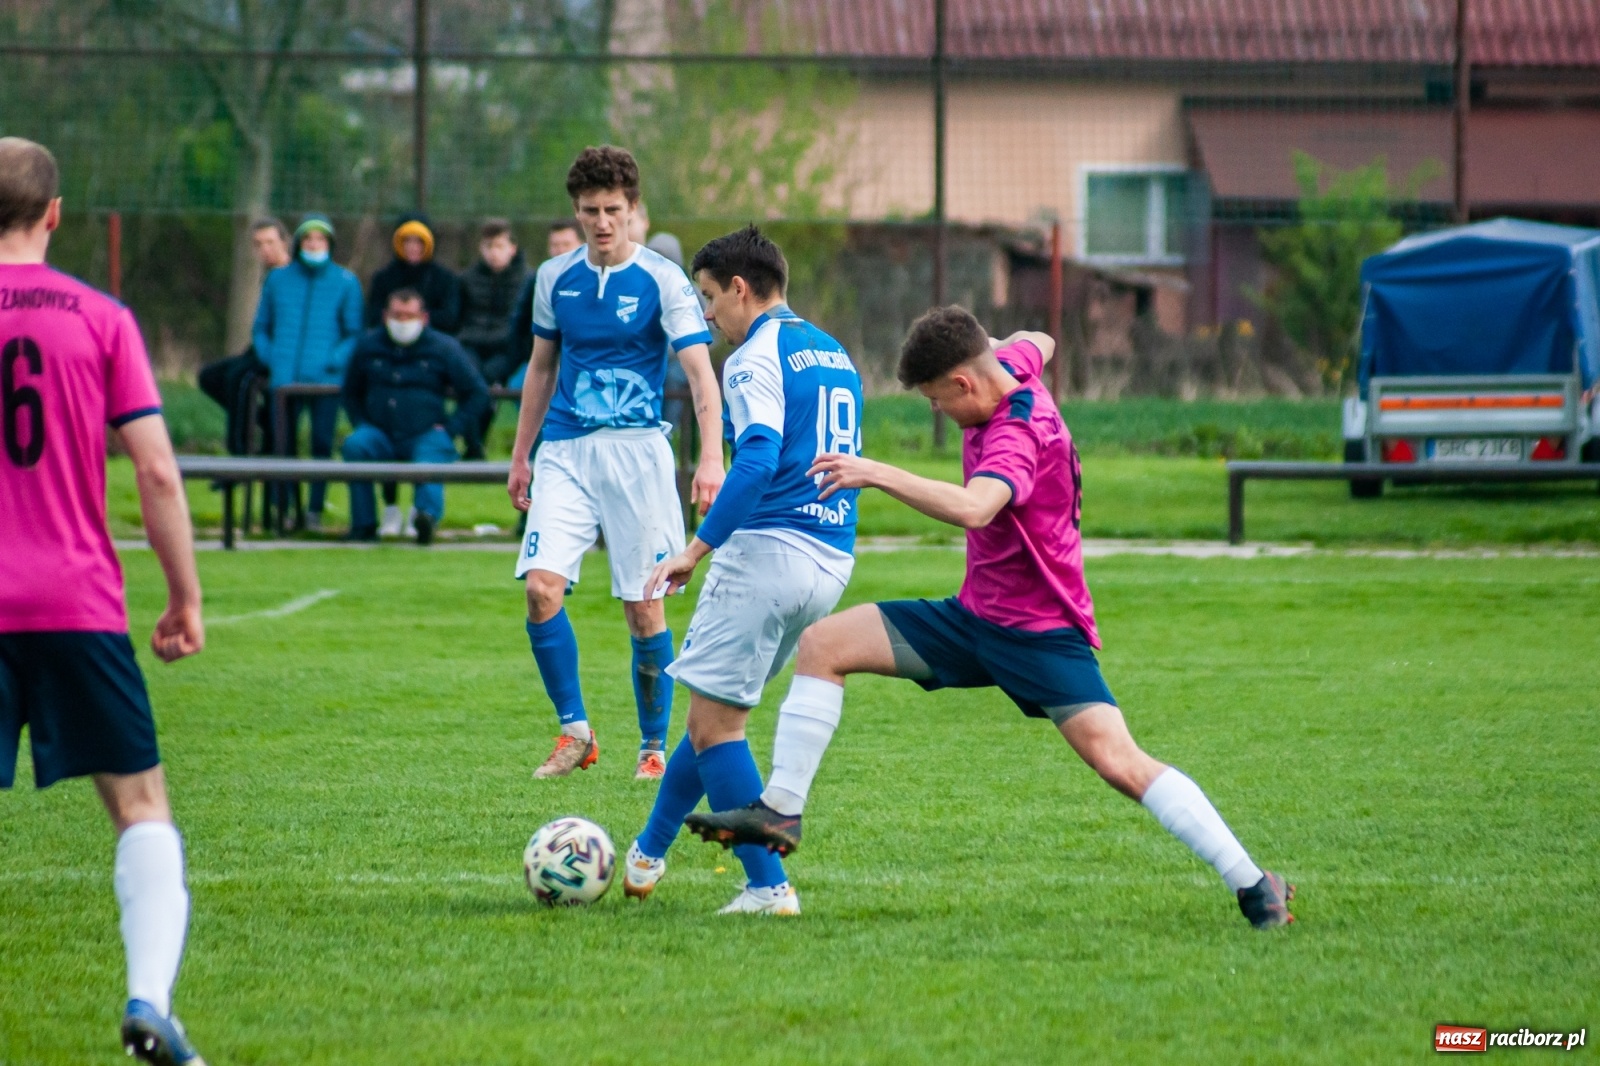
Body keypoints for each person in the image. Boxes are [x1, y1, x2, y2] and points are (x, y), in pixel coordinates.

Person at [685, 306, 1296, 931]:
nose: (937, 412)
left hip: (1038, 634)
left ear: (965, 385)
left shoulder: (1018, 433)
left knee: (1120, 762)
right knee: (824, 645)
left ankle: (1254, 883)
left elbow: (978, 508)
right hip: (973, 619)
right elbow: (1042, 338)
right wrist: (994, 342)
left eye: (936, 399)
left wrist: (875, 473)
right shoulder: (1004, 366)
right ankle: (780, 811)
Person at [0, 137, 209, 1064]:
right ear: (54, 214)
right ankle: (148, 1003)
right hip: (74, 603)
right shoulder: (100, 316)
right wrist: (184, 599)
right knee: (138, 805)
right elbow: (157, 473)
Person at [624, 225, 862, 916]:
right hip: (830, 556)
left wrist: (696, 549)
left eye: (706, 298)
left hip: (769, 552)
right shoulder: (832, 349)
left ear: (740, 288)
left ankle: (768, 886)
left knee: (716, 728)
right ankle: (646, 853)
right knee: (711, 714)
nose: (705, 315)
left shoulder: (753, 357)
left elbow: (756, 459)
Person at [505, 145, 725, 780]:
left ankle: (652, 748)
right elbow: (541, 368)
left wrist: (710, 458)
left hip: (639, 456)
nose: (601, 222)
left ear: (634, 212)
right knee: (542, 589)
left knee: (644, 606)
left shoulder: (663, 280)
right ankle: (575, 731)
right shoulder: (555, 278)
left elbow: (700, 376)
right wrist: (523, 453)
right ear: (576, 213)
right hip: (566, 452)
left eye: (612, 210)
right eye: (589, 212)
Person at [341, 288, 488, 545]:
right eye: (397, 315)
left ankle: (425, 519)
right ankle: (363, 524)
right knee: (356, 445)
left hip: (426, 432)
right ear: (386, 316)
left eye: (409, 315)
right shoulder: (368, 346)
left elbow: (477, 393)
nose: (403, 321)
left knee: (430, 459)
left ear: (424, 317)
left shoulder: (444, 348)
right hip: (379, 431)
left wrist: (452, 429)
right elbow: (350, 392)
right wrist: (361, 422)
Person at [251, 214, 363, 532]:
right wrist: (273, 359)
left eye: (321, 239)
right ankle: (283, 510)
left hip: (326, 382)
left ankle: (313, 509)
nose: (314, 245)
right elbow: (261, 328)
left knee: (321, 443)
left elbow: (353, 332)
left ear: (330, 244)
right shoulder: (278, 280)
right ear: (299, 244)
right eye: (309, 239)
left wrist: (333, 360)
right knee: (282, 445)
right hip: (284, 379)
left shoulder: (345, 281)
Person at [366, 213, 463, 531]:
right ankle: (385, 510)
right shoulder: (383, 282)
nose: (412, 247)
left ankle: (424, 516)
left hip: (425, 411)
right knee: (368, 440)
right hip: (386, 390)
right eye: (406, 240)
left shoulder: (443, 283)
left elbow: (451, 317)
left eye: (418, 241)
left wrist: (451, 428)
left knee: (430, 446)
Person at [457, 219, 531, 457]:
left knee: (486, 379)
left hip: (507, 349)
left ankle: (475, 443)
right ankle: (473, 443)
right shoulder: (468, 279)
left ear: (512, 248)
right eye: (489, 246)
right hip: (473, 346)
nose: (493, 253)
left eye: (499, 246)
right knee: (470, 378)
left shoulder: (525, 280)